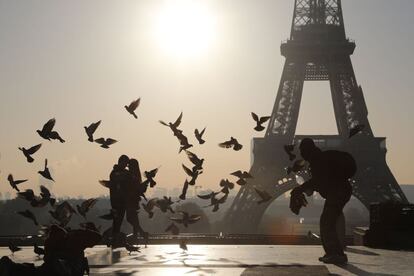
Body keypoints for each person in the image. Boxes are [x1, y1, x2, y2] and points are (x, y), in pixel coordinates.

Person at [290, 138, 356, 265]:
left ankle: (335, 254)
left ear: (307, 150)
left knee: (326, 221)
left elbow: (318, 180)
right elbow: (320, 181)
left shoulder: (317, 160)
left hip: (338, 192)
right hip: (340, 191)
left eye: (302, 150)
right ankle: (333, 253)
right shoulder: (320, 158)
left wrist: (300, 189)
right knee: (328, 221)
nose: (301, 153)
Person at [0, 224, 102, 276]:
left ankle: (10, 267)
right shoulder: (72, 243)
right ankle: (10, 267)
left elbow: (96, 237)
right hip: (60, 270)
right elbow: (97, 237)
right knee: (33, 271)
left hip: (58, 270)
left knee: (32, 271)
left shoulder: (72, 243)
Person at [126, 158, 149, 243]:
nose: (128, 167)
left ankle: (141, 234)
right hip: (134, 199)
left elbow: (133, 188)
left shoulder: (132, 176)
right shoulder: (136, 175)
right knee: (134, 219)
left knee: (130, 218)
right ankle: (137, 235)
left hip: (131, 200)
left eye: (129, 165)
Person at [109, 154, 130, 246]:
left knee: (118, 220)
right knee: (117, 220)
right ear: (121, 162)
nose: (126, 165)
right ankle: (114, 239)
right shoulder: (115, 173)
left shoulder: (119, 172)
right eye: (125, 163)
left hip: (121, 201)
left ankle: (115, 238)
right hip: (117, 201)